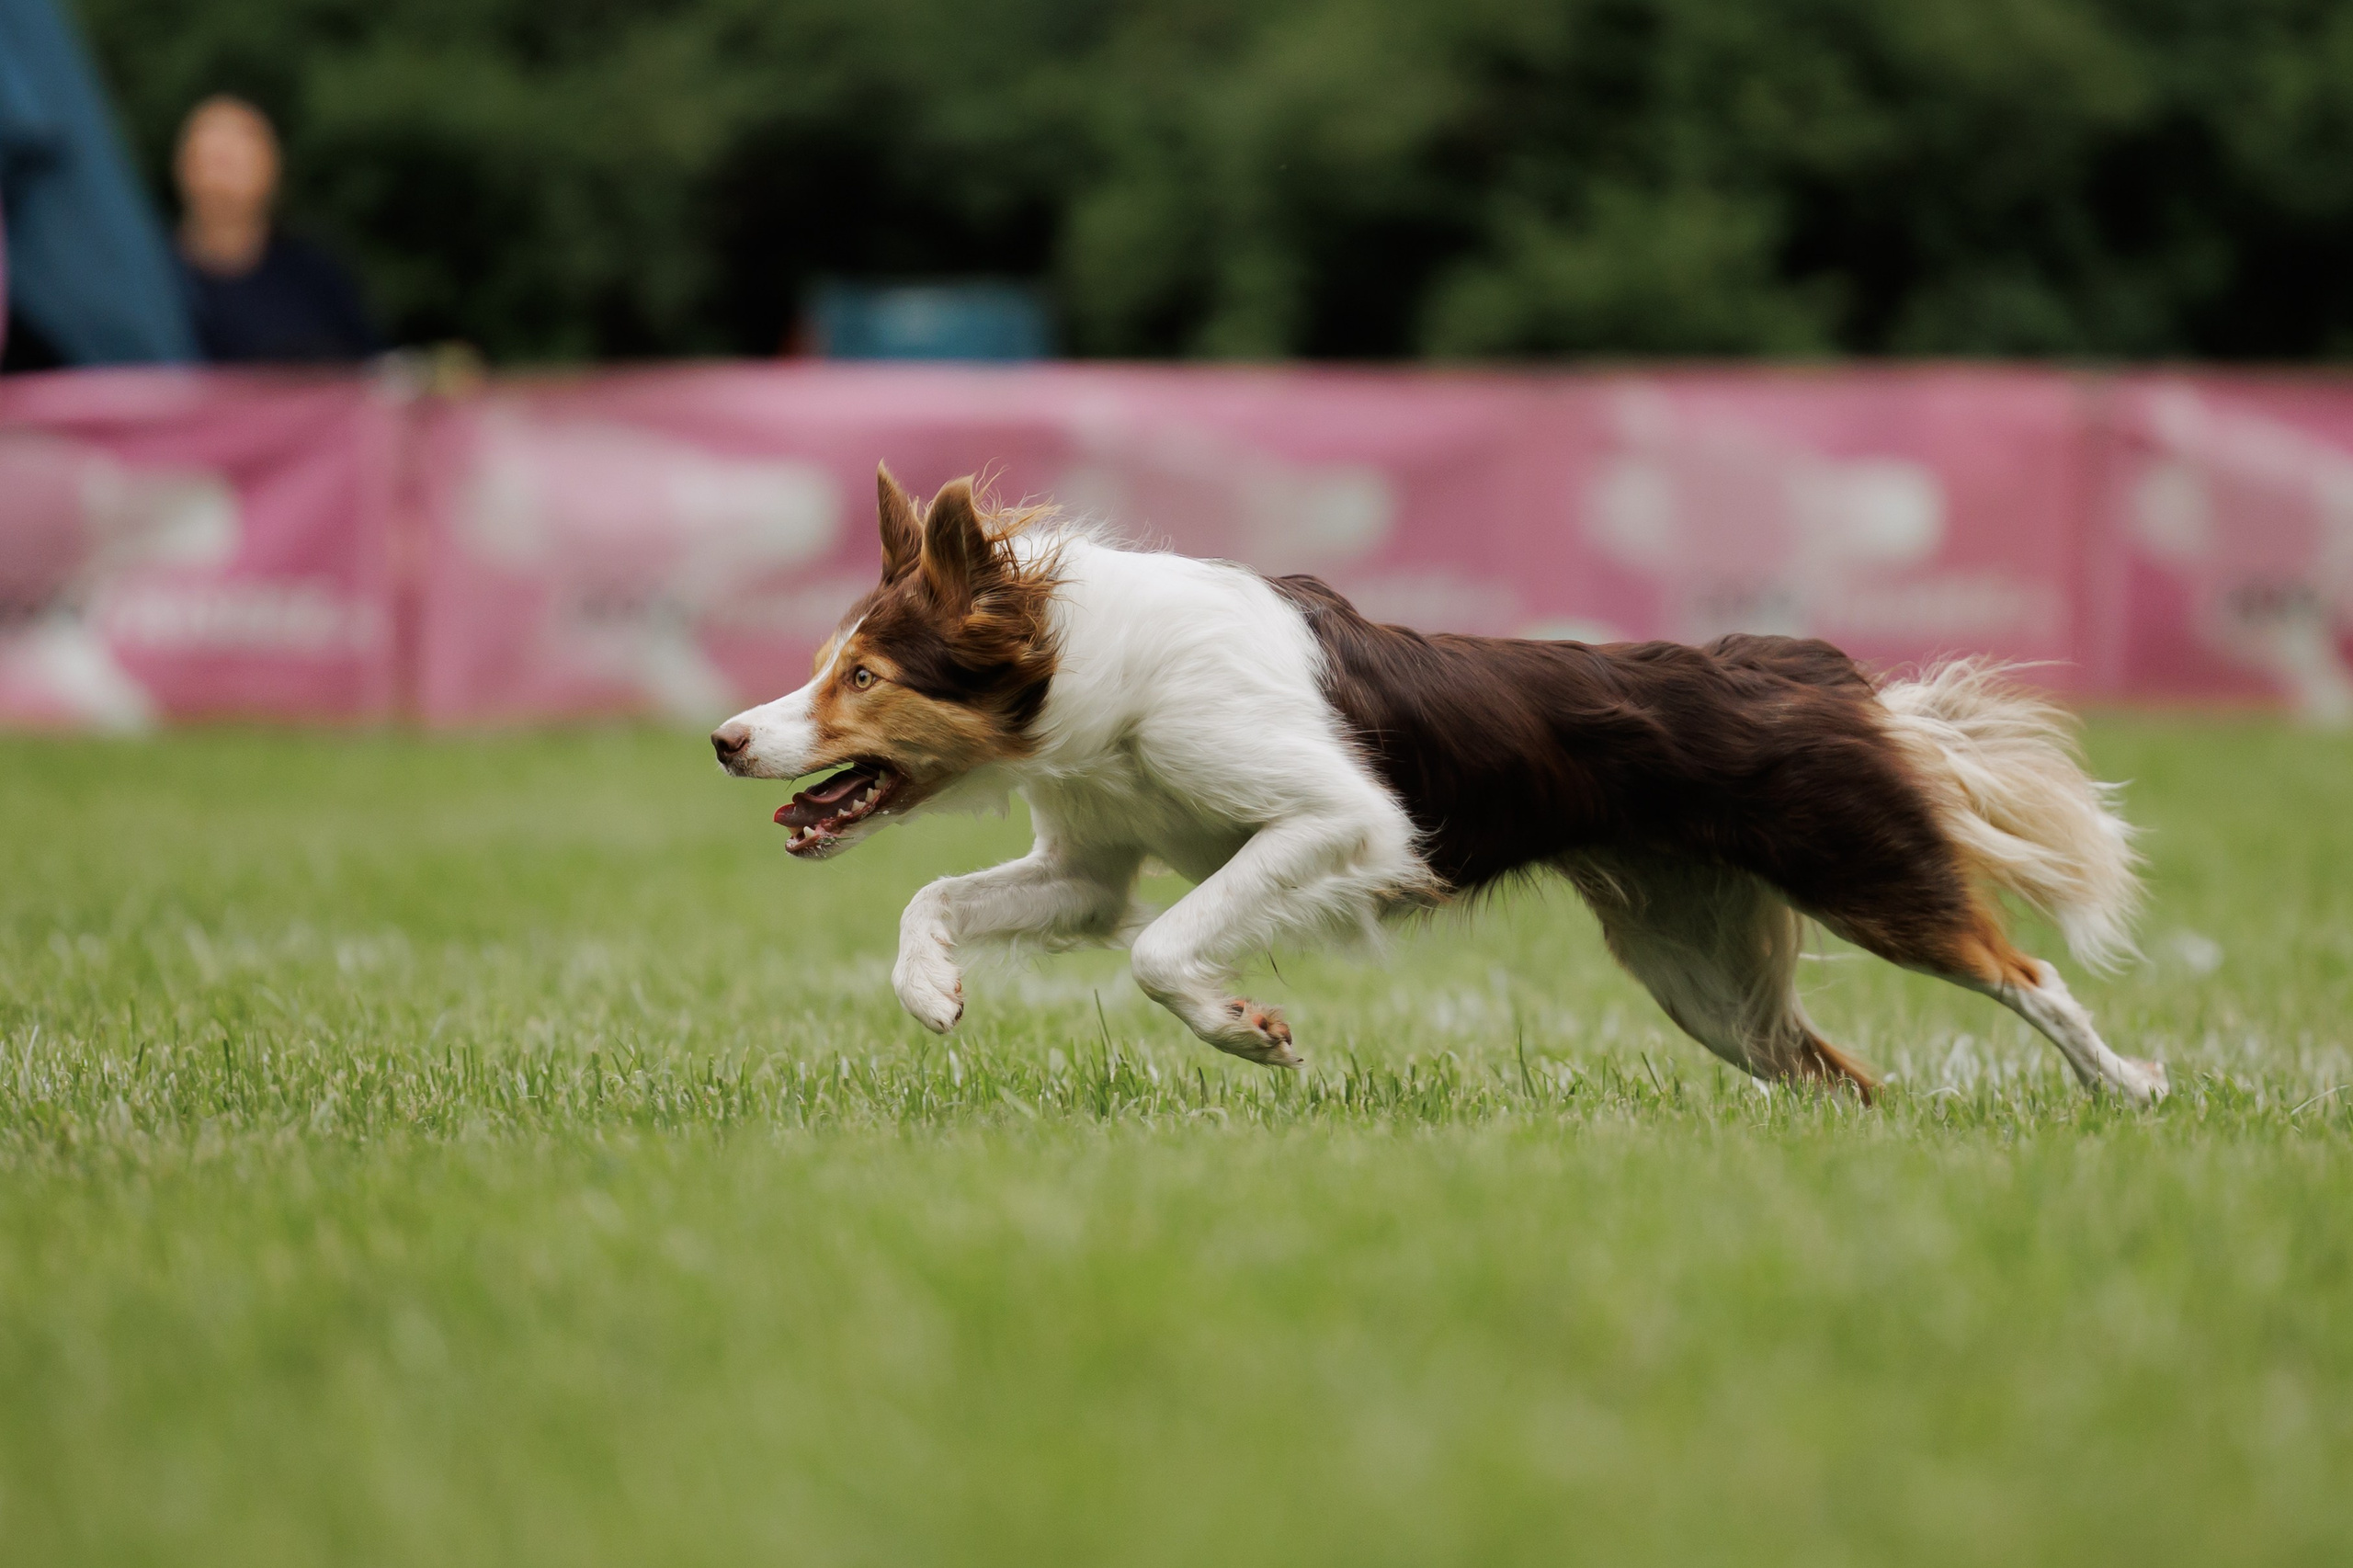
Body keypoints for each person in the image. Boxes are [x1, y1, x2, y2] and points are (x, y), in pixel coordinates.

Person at [173, 95, 378, 363]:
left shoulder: (315, 275)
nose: (219, 176)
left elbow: (375, 373)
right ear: (182, 167)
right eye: (210, 159)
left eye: (233, 161)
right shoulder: (153, 280)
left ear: (272, 167)